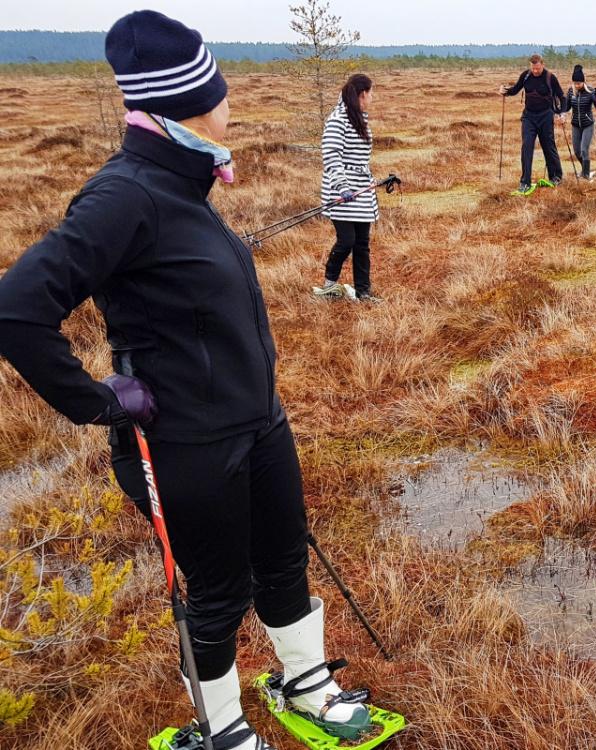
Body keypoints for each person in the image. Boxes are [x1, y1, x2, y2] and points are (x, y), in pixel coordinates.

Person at [0, 12, 379, 749]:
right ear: (188, 105)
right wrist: (99, 400)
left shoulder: (184, 186)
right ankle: (224, 729)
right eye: (222, 91)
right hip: (185, 445)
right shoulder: (124, 195)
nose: (231, 104)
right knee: (215, 594)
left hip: (258, 424)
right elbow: (15, 309)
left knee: (282, 558)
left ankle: (301, 682)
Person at [314, 74, 382, 303]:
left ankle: (364, 292)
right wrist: (342, 186)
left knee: (362, 243)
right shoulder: (337, 120)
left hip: (361, 191)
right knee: (347, 241)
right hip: (340, 192)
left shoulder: (359, 118)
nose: (372, 97)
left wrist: (369, 180)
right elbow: (332, 156)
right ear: (362, 94)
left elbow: (360, 158)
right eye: (371, 93)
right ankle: (329, 285)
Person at [498, 53, 565, 196]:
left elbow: (561, 96)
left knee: (548, 146)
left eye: (538, 69)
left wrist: (561, 113)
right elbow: (515, 89)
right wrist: (505, 92)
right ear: (530, 66)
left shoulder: (550, 77)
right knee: (526, 146)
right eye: (533, 68)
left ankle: (556, 177)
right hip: (529, 117)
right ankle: (525, 182)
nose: (535, 71)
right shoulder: (526, 76)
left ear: (543, 64)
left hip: (546, 116)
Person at [564, 64, 596, 180]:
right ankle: (585, 170)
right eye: (575, 83)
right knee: (577, 151)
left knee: (583, 149)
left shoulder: (591, 91)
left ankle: (586, 176)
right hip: (575, 124)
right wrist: (557, 103)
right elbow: (566, 108)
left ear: (583, 82)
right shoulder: (571, 91)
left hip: (588, 124)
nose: (577, 85)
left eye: (579, 83)